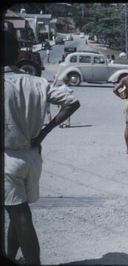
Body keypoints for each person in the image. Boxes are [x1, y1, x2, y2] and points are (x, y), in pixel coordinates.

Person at [4, 29, 80, 265]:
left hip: (7, 159)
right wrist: (45, 131)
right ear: (17, 54)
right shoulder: (36, 82)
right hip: (33, 157)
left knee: (19, 215)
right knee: (17, 212)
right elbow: (72, 102)